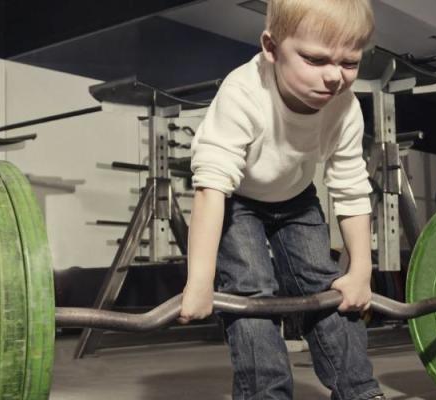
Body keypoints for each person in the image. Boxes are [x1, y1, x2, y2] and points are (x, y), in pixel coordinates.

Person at [178, 0, 385, 399]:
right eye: (315, 59)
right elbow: (211, 189)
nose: (334, 78)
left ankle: (359, 391)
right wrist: (200, 282)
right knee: (249, 290)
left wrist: (361, 269)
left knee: (329, 291)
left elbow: (351, 186)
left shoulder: (345, 107)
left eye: (350, 62)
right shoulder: (242, 93)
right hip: (236, 199)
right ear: (271, 48)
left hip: (295, 197)